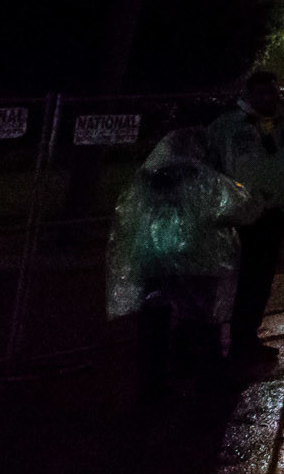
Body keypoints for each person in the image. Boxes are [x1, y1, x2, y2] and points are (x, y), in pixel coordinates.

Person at [105, 126, 250, 399]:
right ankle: (208, 379)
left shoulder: (146, 179)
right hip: (196, 259)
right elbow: (240, 208)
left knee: (154, 323)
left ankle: (153, 383)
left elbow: (128, 220)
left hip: (154, 259)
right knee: (201, 320)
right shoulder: (203, 178)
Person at [207, 72, 284, 364]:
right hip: (238, 216)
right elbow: (213, 164)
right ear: (249, 94)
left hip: (272, 214)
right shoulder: (227, 127)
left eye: (272, 92)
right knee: (234, 279)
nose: (268, 98)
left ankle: (246, 338)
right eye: (261, 93)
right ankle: (220, 341)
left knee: (261, 278)